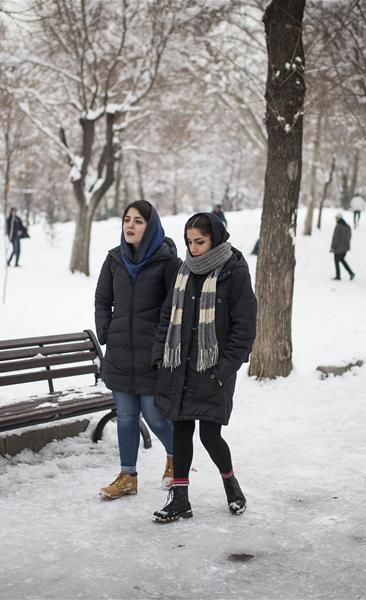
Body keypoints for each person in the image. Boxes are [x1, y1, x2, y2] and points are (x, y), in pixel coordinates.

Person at [151, 212, 256, 522]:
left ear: (216, 239)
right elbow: (165, 317)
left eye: (200, 241)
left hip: (212, 371)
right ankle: (180, 499)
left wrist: (223, 370)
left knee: (210, 436)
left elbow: (244, 328)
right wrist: (160, 356)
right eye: (189, 242)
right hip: (179, 368)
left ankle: (231, 485)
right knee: (181, 432)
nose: (193, 248)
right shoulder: (184, 272)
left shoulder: (234, 272)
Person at [95, 200, 180, 500]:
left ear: (151, 226)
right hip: (120, 354)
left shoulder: (168, 262)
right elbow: (102, 299)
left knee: (155, 416)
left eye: (138, 221)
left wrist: (161, 345)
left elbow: (175, 309)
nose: (130, 225)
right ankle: (127, 476)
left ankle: (176, 458)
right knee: (127, 417)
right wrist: (106, 332)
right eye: (127, 219)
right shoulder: (114, 259)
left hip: (151, 355)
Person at [330, 211, 355, 281]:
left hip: (338, 248)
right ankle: (351, 273)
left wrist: (333, 247)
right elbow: (349, 237)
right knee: (342, 260)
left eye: (336, 218)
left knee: (336, 261)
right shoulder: (347, 226)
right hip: (345, 248)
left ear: (338, 218)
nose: (335, 219)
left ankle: (338, 276)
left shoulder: (338, 226)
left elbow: (335, 238)